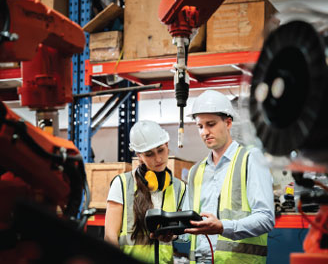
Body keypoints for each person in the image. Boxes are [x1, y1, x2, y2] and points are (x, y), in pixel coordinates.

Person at [183, 90, 275, 264]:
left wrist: (223, 227)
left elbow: (266, 218)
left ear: (228, 123)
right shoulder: (196, 171)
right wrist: (171, 234)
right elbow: (190, 229)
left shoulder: (251, 159)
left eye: (211, 124)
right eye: (200, 126)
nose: (205, 132)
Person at [105, 120, 186, 264]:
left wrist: (172, 236)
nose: (158, 158)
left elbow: (181, 231)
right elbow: (110, 236)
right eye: (149, 154)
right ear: (139, 156)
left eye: (161, 150)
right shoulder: (122, 184)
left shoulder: (179, 188)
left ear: (167, 145)